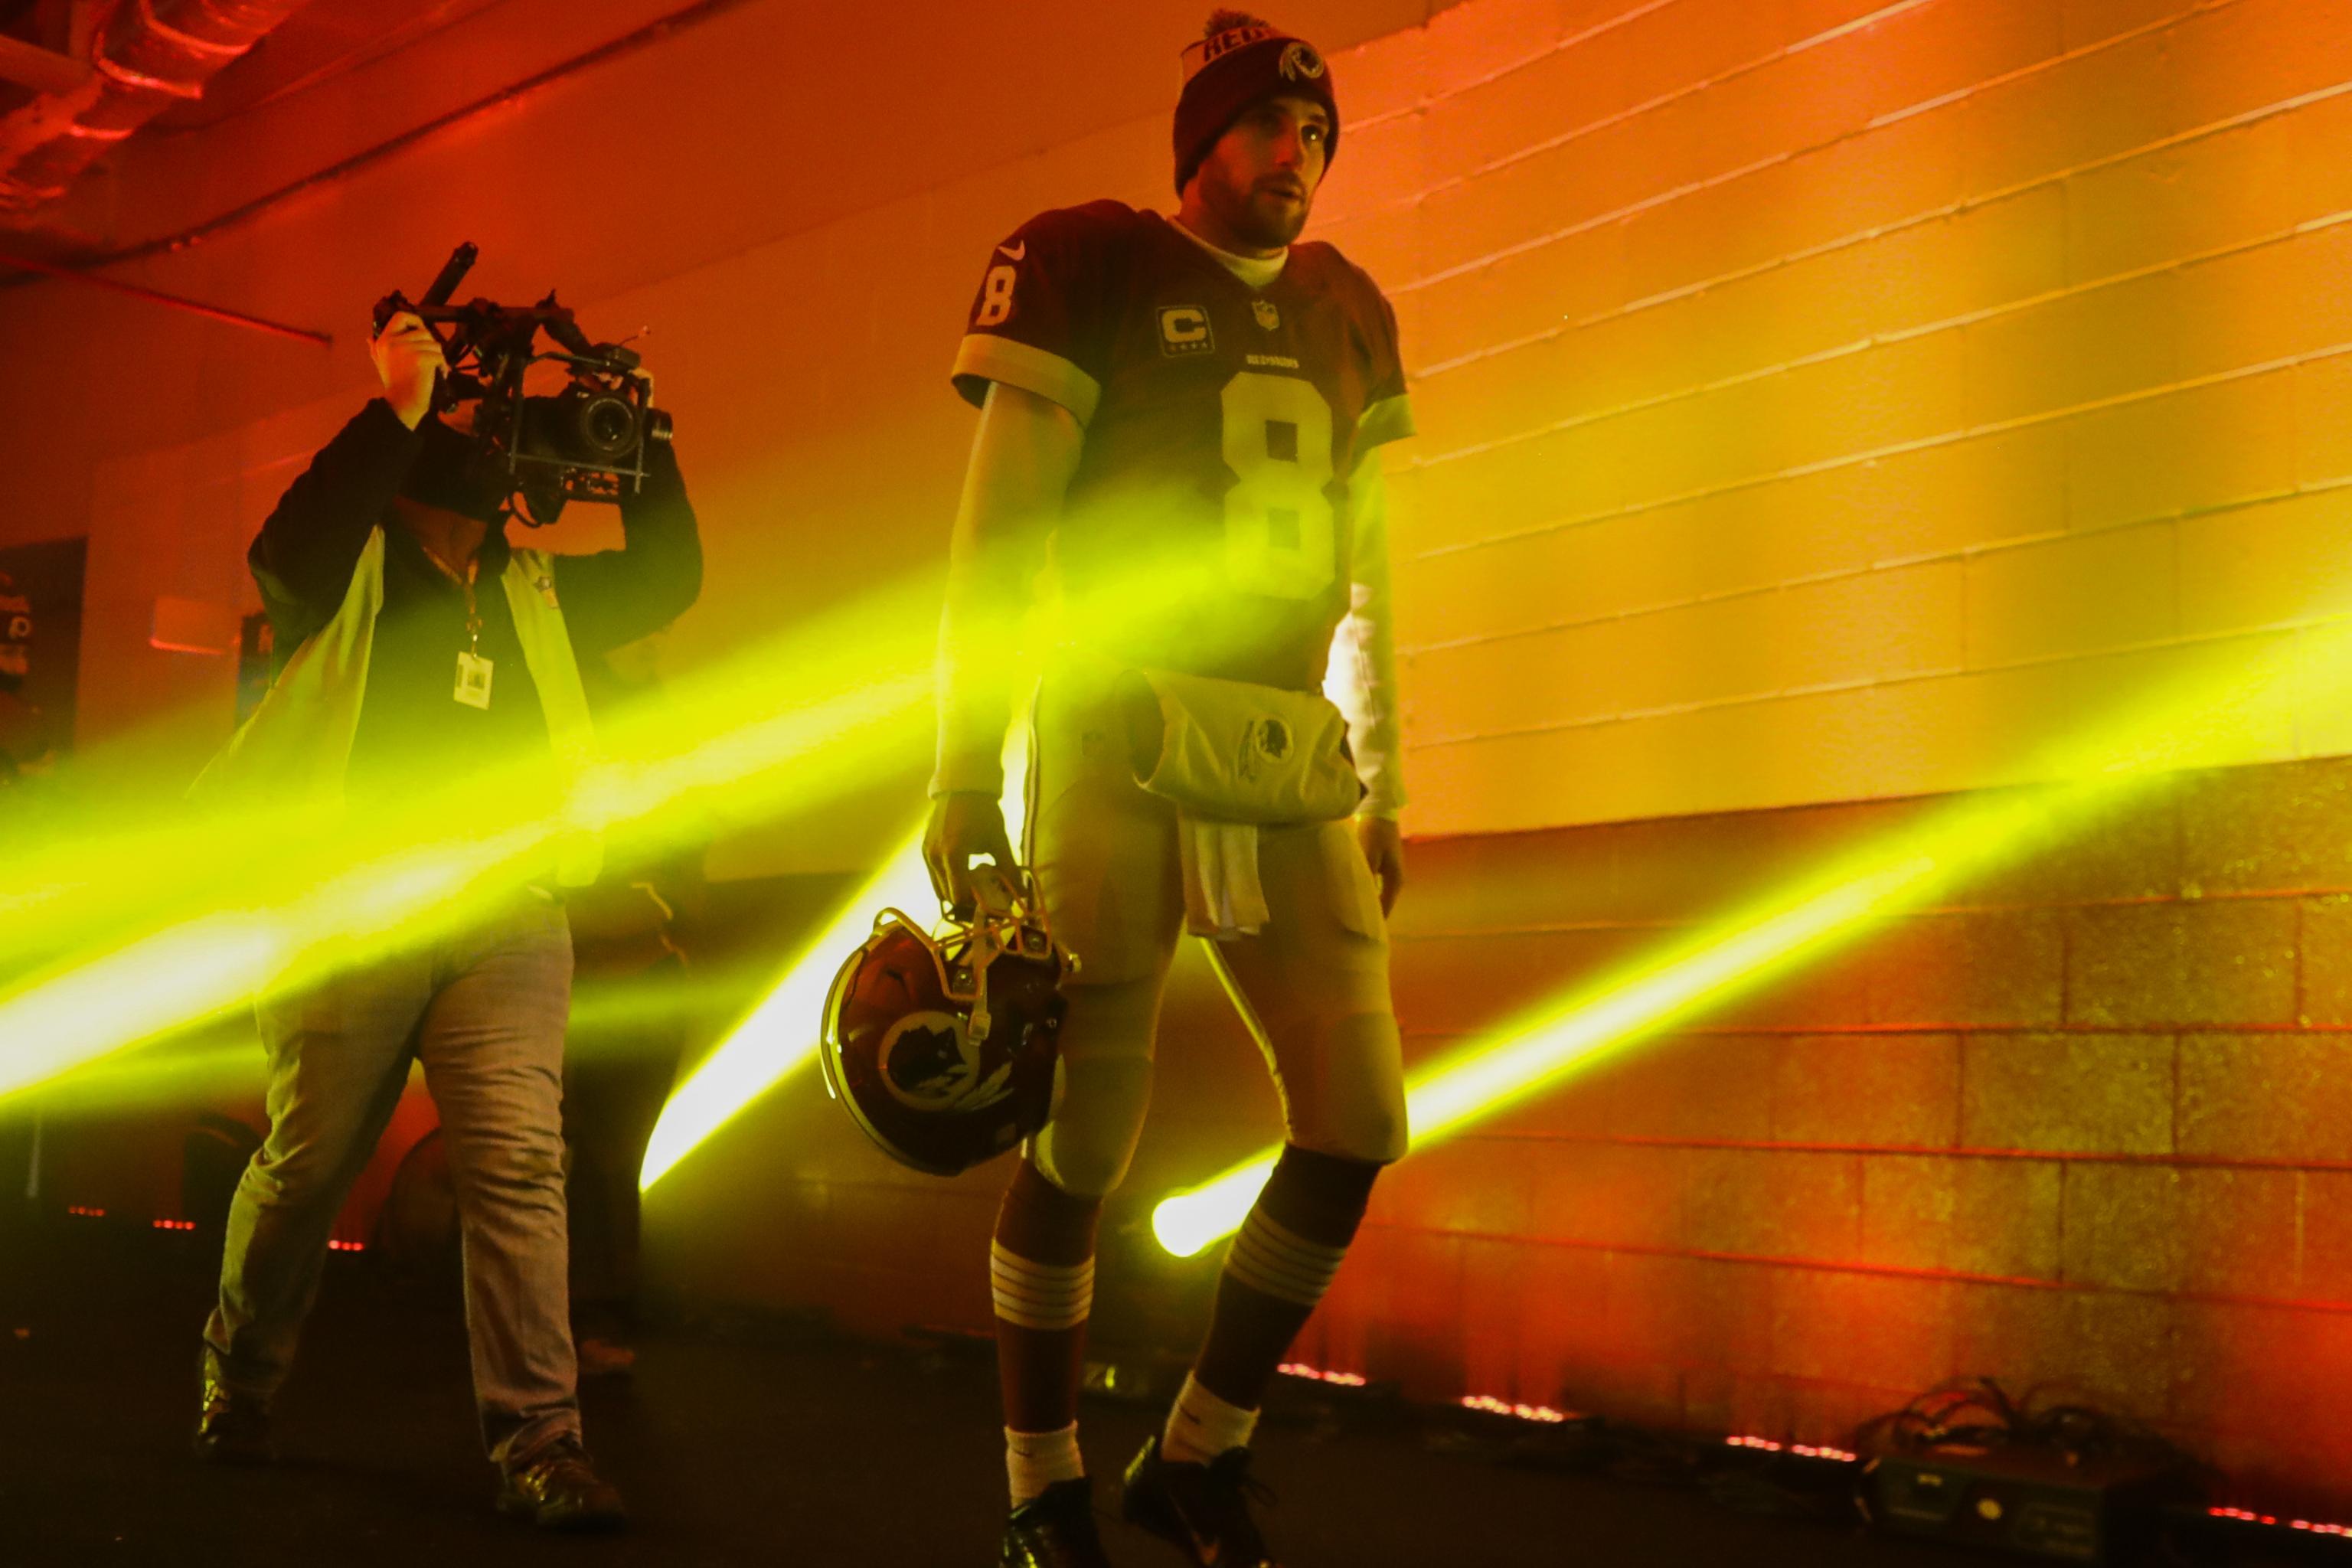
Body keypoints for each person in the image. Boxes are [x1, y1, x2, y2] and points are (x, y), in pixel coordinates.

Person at [923, 12, 1412, 1565]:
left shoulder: (1351, 310)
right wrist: (964, 760)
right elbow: (999, 539)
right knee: (1084, 1139)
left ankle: (1198, 1447)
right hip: (1119, 732)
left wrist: (1386, 773)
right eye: (1272, 128)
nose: (1300, 159)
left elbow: (1372, 582)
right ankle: (1040, 1477)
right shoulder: (1097, 263)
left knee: (1360, 1116)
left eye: (1320, 137)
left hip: (1280, 746)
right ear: (1201, 139)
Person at [190, 305, 701, 1532]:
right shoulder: (348, 572)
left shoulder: (529, 588)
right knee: (306, 1167)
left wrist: (648, 426)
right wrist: (400, 403)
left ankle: (540, 1439)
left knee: (522, 1164)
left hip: (507, 912)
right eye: (476, 420)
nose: (500, 441)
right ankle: (241, 1380)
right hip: (355, 908)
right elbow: (285, 545)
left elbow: (668, 575)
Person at [560, 641, 704, 1379]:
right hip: (613, 971)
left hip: (616, 973)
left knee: (595, 1156)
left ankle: (581, 1317)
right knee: (602, 1158)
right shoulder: (635, 747)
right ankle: (588, 1317)